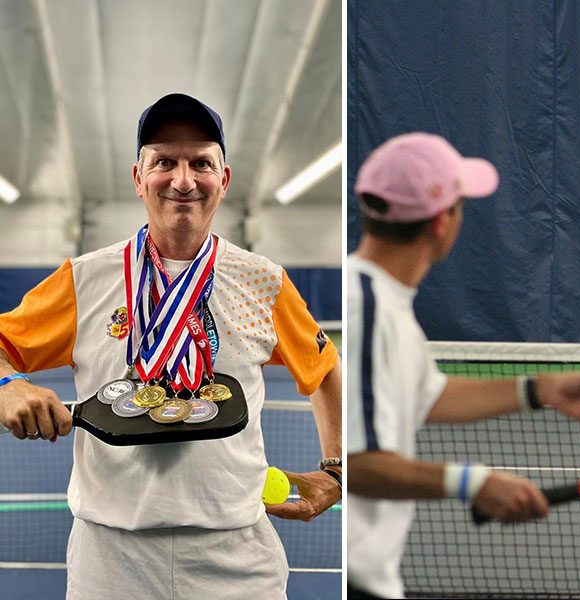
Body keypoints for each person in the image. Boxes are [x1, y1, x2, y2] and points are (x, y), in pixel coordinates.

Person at [0, 93, 343, 599]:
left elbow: (325, 367)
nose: (183, 179)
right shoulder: (84, 279)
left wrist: (336, 470)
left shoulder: (263, 281)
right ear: (138, 179)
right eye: (164, 162)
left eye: (201, 162)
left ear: (223, 181)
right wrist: (7, 383)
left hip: (238, 558)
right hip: (110, 561)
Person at [347, 132, 580, 599]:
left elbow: (428, 394)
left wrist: (539, 389)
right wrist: (473, 482)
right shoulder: (365, 304)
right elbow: (353, 464)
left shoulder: (386, 304)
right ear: (443, 221)